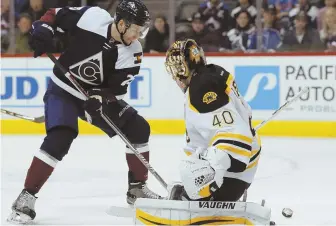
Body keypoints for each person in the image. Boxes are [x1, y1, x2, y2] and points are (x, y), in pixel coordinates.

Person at [8, 0, 162, 224]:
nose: (137, 37)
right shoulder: (92, 17)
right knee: (61, 135)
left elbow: (116, 88)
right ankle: (26, 197)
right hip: (63, 90)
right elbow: (54, 15)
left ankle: (137, 189)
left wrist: (100, 97)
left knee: (139, 129)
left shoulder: (133, 51)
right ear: (121, 23)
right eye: (135, 30)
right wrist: (42, 28)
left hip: (95, 99)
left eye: (141, 31)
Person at [164, 39, 261, 202]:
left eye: (178, 68)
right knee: (192, 166)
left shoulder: (201, 87)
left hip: (233, 172)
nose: (176, 77)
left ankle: (208, 198)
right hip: (242, 166)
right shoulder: (212, 73)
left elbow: (234, 136)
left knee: (190, 170)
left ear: (185, 67)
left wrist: (211, 177)